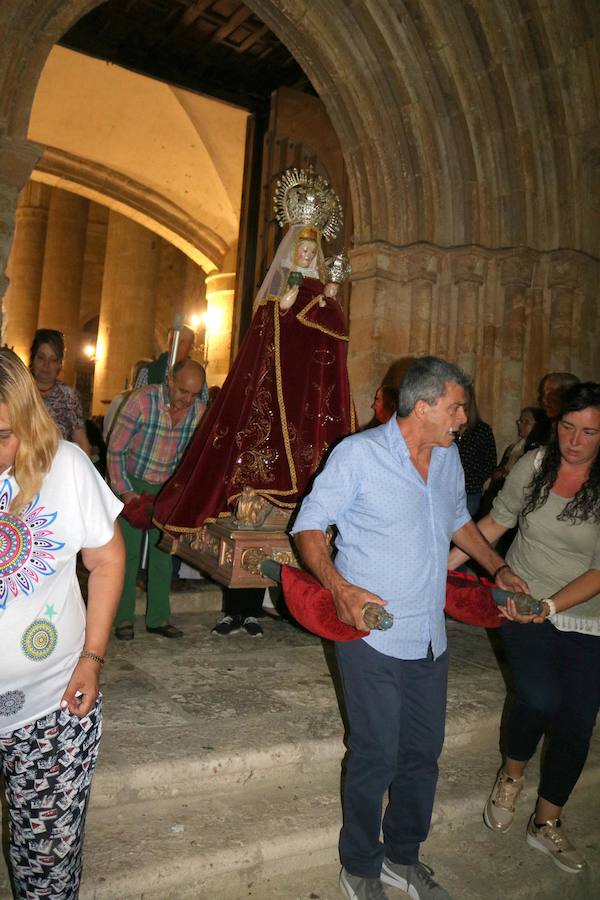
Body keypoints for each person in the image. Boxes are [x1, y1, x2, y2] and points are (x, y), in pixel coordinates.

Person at [291, 356, 527, 900]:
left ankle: (402, 856)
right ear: (422, 408)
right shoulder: (359, 455)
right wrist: (339, 587)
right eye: (455, 407)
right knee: (377, 753)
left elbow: (456, 521)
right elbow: (308, 526)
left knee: (423, 752)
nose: (463, 417)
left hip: (428, 636)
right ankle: (359, 866)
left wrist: (498, 566)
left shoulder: (444, 458)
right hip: (372, 635)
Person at [154, 170, 355, 638]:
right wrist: (293, 295)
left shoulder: (319, 293)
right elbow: (276, 321)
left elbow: (332, 338)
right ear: (291, 252)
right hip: (276, 398)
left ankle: (287, 605)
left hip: (307, 404)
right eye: (300, 251)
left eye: (312, 252)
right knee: (246, 515)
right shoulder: (282, 291)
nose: (306, 256)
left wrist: (330, 292)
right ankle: (236, 606)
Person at [449, 382, 600, 875]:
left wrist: (552, 605)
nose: (575, 441)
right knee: (537, 697)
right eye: (568, 428)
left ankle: (547, 822)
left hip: (585, 615)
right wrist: (440, 570)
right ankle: (512, 774)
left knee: (578, 719)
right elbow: (493, 523)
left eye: (589, 432)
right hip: (519, 600)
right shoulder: (535, 465)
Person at [0, 348, 124, 899]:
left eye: (3, 435)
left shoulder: (66, 467)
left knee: (46, 871)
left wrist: (92, 658)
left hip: (52, 706)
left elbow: (107, 559)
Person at [107, 358, 206, 640]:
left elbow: (191, 459)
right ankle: (123, 618)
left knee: (164, 552)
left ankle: (158, 618)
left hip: (165, 486)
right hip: (131, 480)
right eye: (183, 391)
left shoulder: (198, 412)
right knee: (127, 554)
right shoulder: (141, 402)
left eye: (194, 394)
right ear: (170, 381)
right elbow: (115, 452)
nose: (187, 400)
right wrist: (127, 494)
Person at [29, 328, 91, 455]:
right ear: (32, 359)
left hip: (57, 468)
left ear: (60, 364)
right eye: (41, 357)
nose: (46, 365)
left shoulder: (69, 396)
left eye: (53, 360)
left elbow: (81, 441)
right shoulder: (18, 390)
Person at [456, 387, 497, 518]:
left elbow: (490, 462)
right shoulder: (447, 427)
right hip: (446, 492)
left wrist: (475, 480)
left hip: (471, 493)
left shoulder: (482, 430)